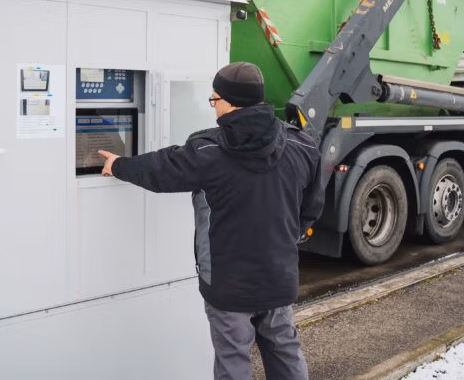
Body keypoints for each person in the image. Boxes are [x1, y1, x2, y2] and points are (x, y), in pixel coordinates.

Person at [98, 61, 324, 380]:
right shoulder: (301, 145)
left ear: (229, 101)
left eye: (214, 99)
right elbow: (311, 207)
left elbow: (162, 170)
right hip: (279, 277)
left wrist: (118, 164)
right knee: (285, 352)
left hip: (228, 285)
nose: (213, 106)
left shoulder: (208, 151)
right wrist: (288, 238)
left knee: (233, 360)